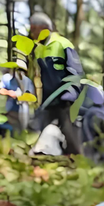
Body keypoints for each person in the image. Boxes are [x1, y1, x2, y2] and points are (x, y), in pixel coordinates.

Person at [29, 12, 85, 155]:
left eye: (33, 28)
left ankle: (76, 160)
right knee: (40, 130)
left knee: (69, 131)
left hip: (65, 100)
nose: (31, 32)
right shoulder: (39, 49)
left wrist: (70, 94)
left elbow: (76, 72)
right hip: (49, 100)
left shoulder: (62, 44)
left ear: (43, 28)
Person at [0, 58, 36, 133]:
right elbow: (1, 90)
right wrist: (9, 92)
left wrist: (24, 97)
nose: (20, 72)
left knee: (22, 128)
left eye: (21, 70)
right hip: (11, 109)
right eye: (18, 70)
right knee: (11, 128)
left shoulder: (27, 81)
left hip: (24, 109)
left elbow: (32, 97)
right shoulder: (7, 78)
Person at [76, 83, 104, 163]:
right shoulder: (95, 88)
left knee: (91, 142)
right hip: (101, 113)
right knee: (101, 141)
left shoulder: (84, 88)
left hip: (91, 115)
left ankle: (93, 163)